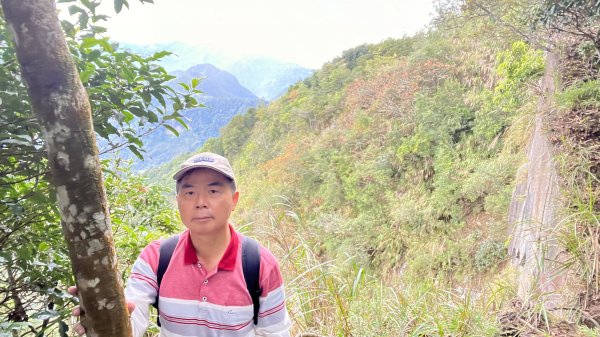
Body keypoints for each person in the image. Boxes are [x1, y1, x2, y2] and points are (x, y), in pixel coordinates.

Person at [70, 152, 291, 337]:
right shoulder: (156, 257)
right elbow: (133, 317)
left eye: (213, 191)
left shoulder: (259, 263)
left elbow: (275, 332)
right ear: (178, 202)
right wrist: (107, 317)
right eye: (189, 192)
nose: (200, 202)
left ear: (234, 200)